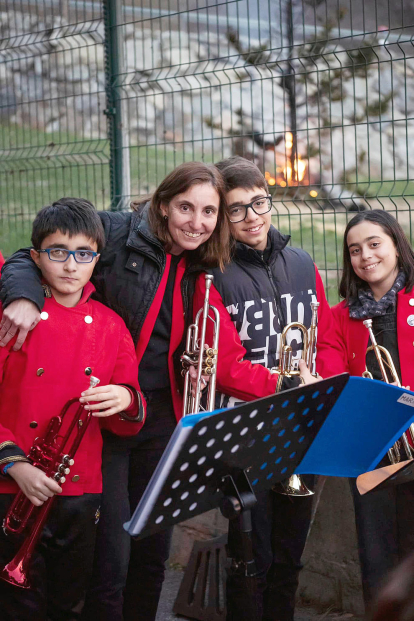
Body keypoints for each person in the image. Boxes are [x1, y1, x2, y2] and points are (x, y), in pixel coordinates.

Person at [0, 162, 232, 621]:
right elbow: (33, 255)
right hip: (92, 429)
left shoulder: (204, 263)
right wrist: (23, 296)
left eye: (209, 211)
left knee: (151, 547)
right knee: (110, 561)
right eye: (185, 207)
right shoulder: (112, 231)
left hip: (151, 413)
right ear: (163, 205)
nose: (197, 221)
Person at [192, 156, 341, 621]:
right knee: (251, 557)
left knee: (290, 554)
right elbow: (224, 364)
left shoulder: (302, 262)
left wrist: (324, 381)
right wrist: (286, 382)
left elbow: (326, 337)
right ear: (223, 216)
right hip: (246, 430)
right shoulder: (211, 274)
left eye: (259, 202)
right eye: (236, 210)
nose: (252, 216)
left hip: (300, 425)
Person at [0, 198, 145, 621]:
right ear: (36, 257)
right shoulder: (14, 319)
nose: (69, 265)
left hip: (82, 489)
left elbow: (132, 411)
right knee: (17, 607)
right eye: (57, 252)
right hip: (13, 486)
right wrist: (15, 465)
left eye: (83, 254)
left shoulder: (110, 324)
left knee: (71, 600)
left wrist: (125, 398)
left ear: (96, 260)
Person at [331, 209, 414, 608]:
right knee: (377, 554)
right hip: (371, 451)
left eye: (374, 244)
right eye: (354, 249)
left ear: (397, 245)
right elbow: (335, 381)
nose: (365, 256)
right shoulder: (338, 317)